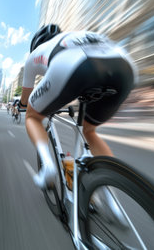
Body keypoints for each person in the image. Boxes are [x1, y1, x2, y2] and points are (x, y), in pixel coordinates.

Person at [19, 24, 137, 189]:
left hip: (75, 65)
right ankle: (113, 191)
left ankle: (48, 167)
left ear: (36, 45)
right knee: (89, 131)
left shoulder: (36, 54)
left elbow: (26, 97)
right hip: (125, 67)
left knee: (32, 117)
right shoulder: (76, 35)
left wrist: (23, 106)